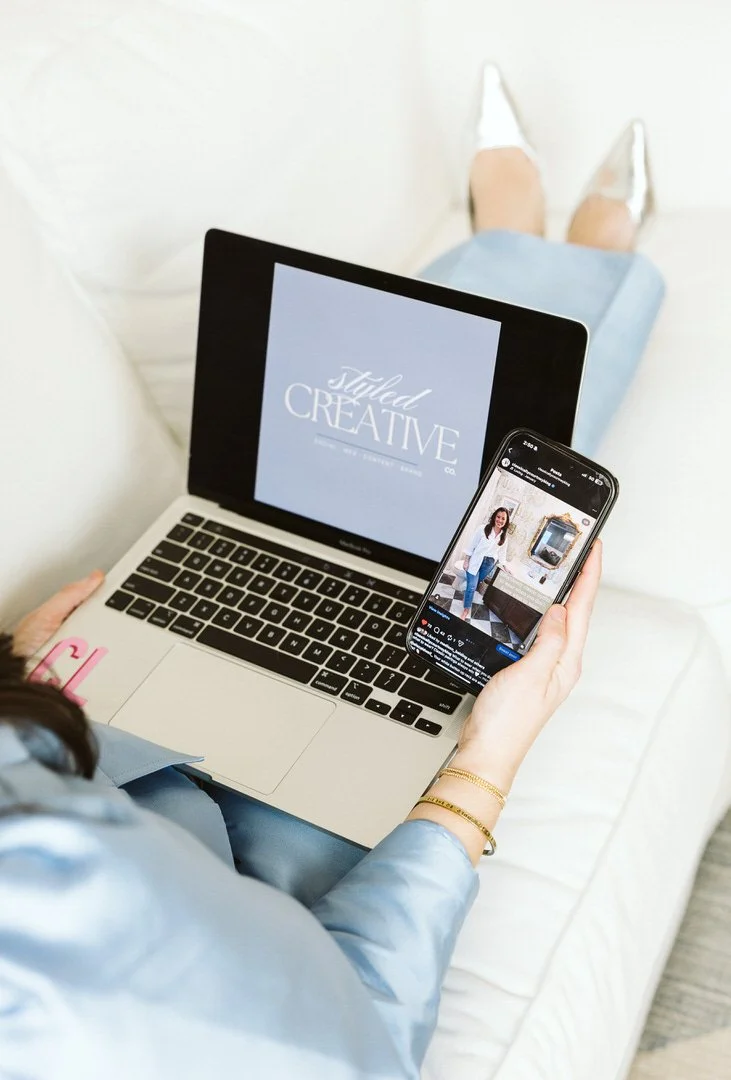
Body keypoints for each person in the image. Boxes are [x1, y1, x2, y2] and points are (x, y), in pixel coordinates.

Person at [0, 60, 664, 1078]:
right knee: (499, 471)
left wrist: (21, 684)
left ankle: (515, 239)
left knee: (452, 456)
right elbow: (362, 1044)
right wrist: (482, 772)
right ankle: (561, 247)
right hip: (257, 871)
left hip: (109, 756)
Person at [461, 506, 511, 621]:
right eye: (498, 517)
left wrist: (505, 567)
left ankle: (466, 594)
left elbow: (502, 554)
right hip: (476, 560)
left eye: (503, 518)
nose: (500, 520)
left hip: (489, 564)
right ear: (494, 517)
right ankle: (466, 610)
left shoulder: (504, 537)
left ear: (506, 521)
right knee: (472, 586)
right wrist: (466, 560)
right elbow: (472, 545)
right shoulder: (482, 529)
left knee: (475, 584)